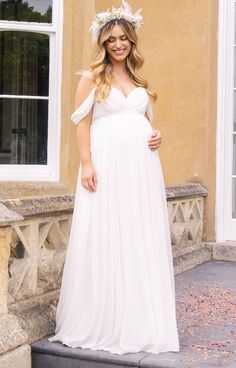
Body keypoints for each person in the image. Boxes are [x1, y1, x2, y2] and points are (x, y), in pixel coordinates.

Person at [49, 0, 180, 355]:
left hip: (141, 170)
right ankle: (104, 317)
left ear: (131, 42)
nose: (118, 44)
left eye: (123, 38)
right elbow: (81, 121)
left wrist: (157, 135)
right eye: (112, 40)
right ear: (103, 44)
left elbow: (146, 122)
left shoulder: (138, 80)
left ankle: (139, 319)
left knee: (137, 234)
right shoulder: (92, 77)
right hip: (105, 167)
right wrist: (86, 163)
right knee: (108, 232)